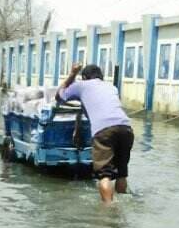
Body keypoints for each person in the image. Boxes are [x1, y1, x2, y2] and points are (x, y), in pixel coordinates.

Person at [56, 63, 134, 204]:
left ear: (84, 77)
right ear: (101, 76)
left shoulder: (81, 85)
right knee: (122, 173)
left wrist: (72, 74)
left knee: (105, 175)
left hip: (104, 131)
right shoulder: (112, 87)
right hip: (126, 128)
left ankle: (108, 211)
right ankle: (121, 204)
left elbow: (59, 96)